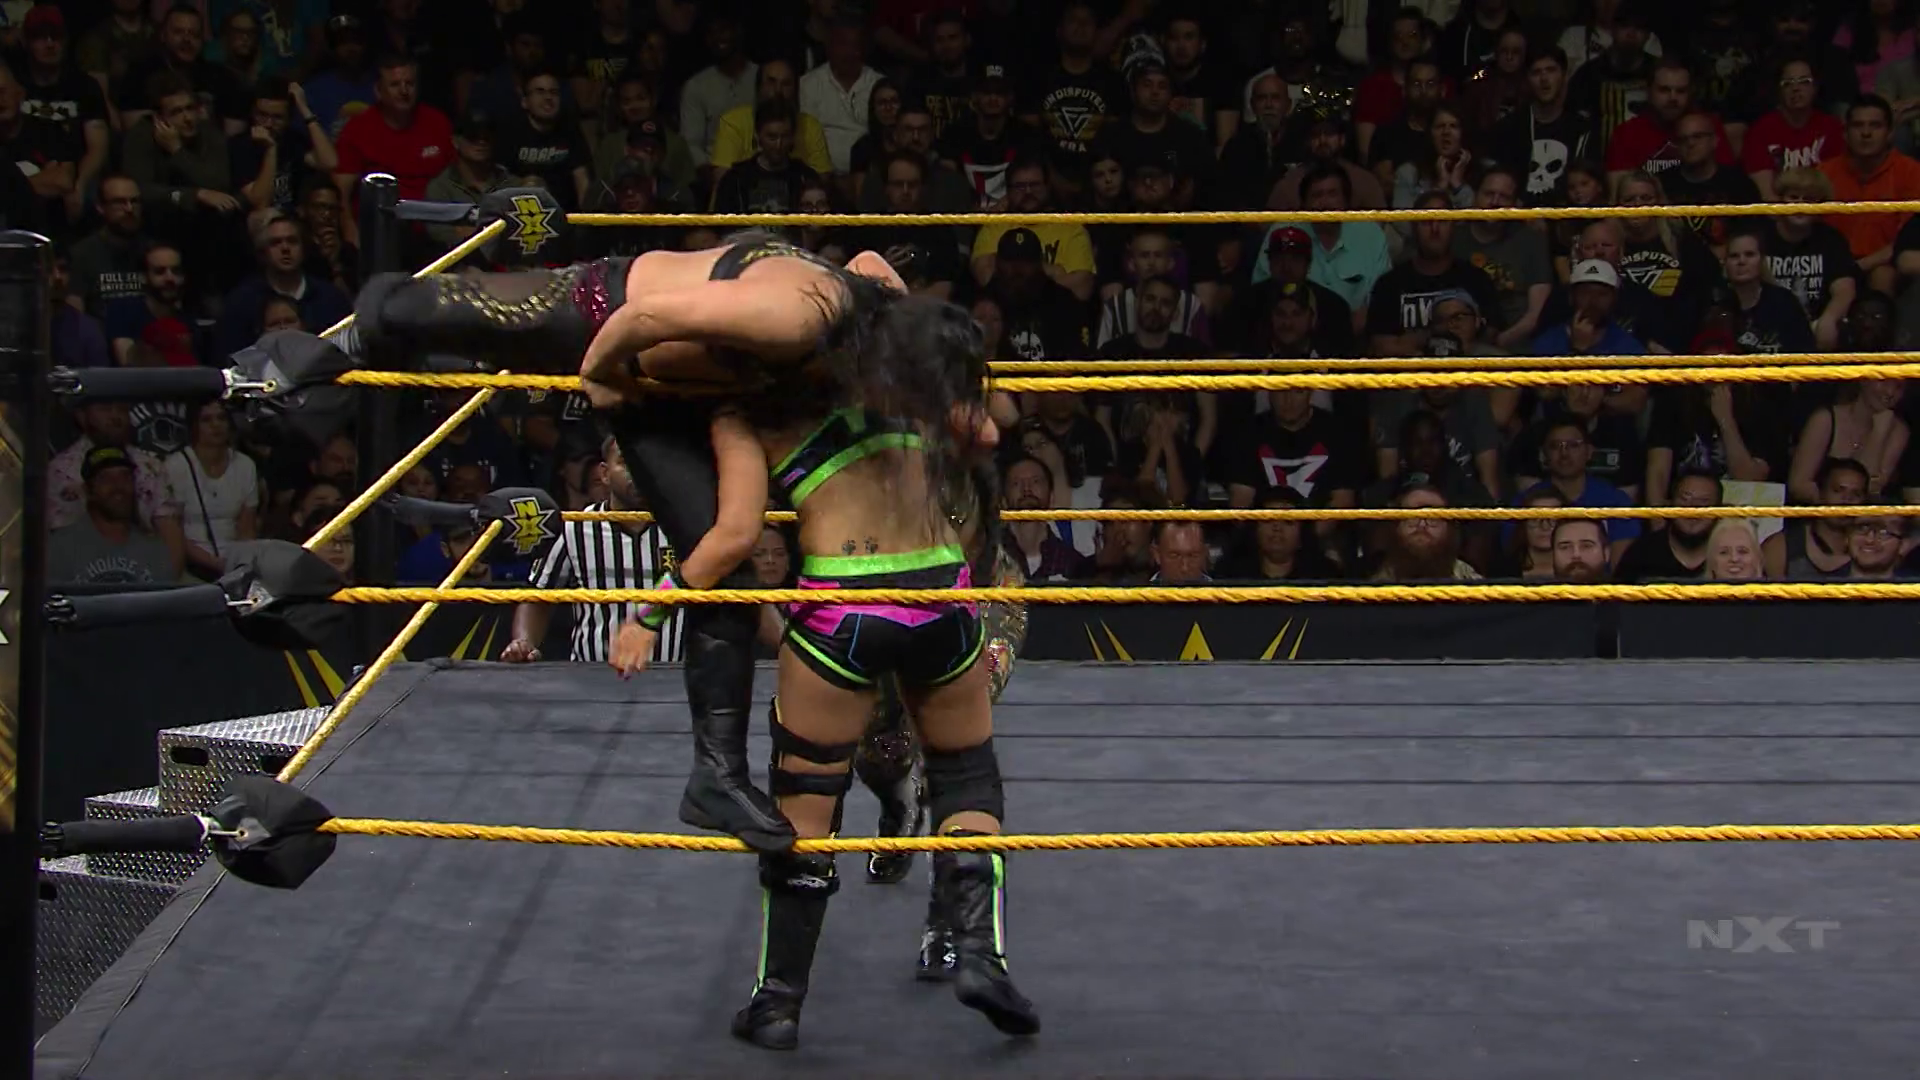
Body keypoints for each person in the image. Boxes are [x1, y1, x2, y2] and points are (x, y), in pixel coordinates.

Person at [353, 236, 934, 856]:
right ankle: (319, 351)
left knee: (730, 583)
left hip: (678, 399)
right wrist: (597, 376)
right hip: (606, 319)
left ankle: (716, 777)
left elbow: (872, 268)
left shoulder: (871, 300)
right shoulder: (798, 315)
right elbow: (644, 316)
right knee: (426, 311)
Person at [600, 287, 1035, 1049]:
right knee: (966, 778)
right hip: (938, 595)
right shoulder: (892, 377)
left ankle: (778, 1004)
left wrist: (649, 614)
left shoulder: (747, 411)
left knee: (806, 806)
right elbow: (991, 426)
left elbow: (735, 536)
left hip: (842, 610)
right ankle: (981, 955)